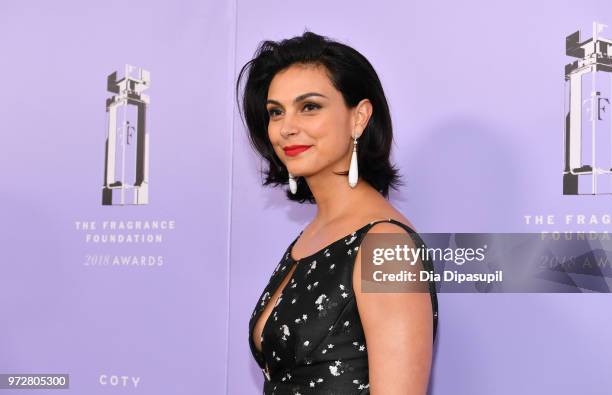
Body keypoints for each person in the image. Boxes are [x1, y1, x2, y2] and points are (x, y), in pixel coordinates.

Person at [236, 31, 438, 395]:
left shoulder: (386, 247)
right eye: (275, 112)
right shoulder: (312, 235)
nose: (287, 128)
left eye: (309, 106)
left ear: (358, 117)